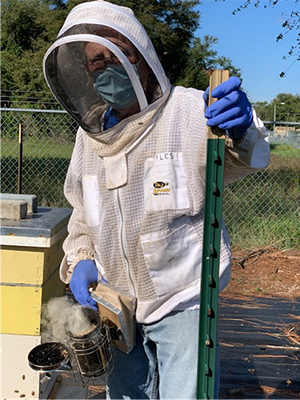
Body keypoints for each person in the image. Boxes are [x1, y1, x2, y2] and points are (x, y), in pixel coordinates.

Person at [43, 1, 270, 398]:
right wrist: (80, 260)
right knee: (127, 393)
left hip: (183, 299)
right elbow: (81, 209)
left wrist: (240, 127)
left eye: (119, 54)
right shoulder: (89, 137)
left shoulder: (186, 111)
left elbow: (243, 157)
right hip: (117, 305)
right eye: (97, 60)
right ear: (84, 70)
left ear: (143, 59)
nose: (108, 66)